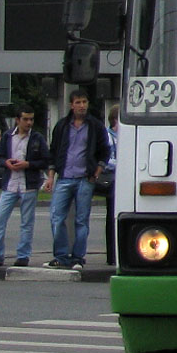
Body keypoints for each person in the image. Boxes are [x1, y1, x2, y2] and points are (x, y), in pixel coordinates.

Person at [42, 90, 111, 269]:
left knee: (81, 220)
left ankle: (78, 257)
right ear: (72, 105)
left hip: (84, 178)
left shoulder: (95, 126)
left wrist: (97, 170)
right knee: (57, 217)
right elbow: (54, 151)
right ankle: (61, 256)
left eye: (84, 102)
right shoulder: (62, 126)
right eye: (78, 102)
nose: (82, 106)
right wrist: (50, 177)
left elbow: (105, 149)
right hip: (64, 177)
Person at [0, 106, 49, 267]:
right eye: (25, 119)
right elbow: (0, 156)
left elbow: (45, 160)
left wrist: (28, 164)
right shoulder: (8, 136)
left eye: (31, 119)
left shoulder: (37, 138)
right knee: (0, 218)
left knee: (26, 222)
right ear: (17, 120)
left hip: (28, 184)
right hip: (10, 184)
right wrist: (6, 163)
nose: (29, 123)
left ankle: (23, 255)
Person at [103, 105, 119, 265]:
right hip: (113, 180)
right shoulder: (107, 136)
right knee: (111, 217)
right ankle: (112, 256)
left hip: (122, 179)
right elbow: (107, 160)